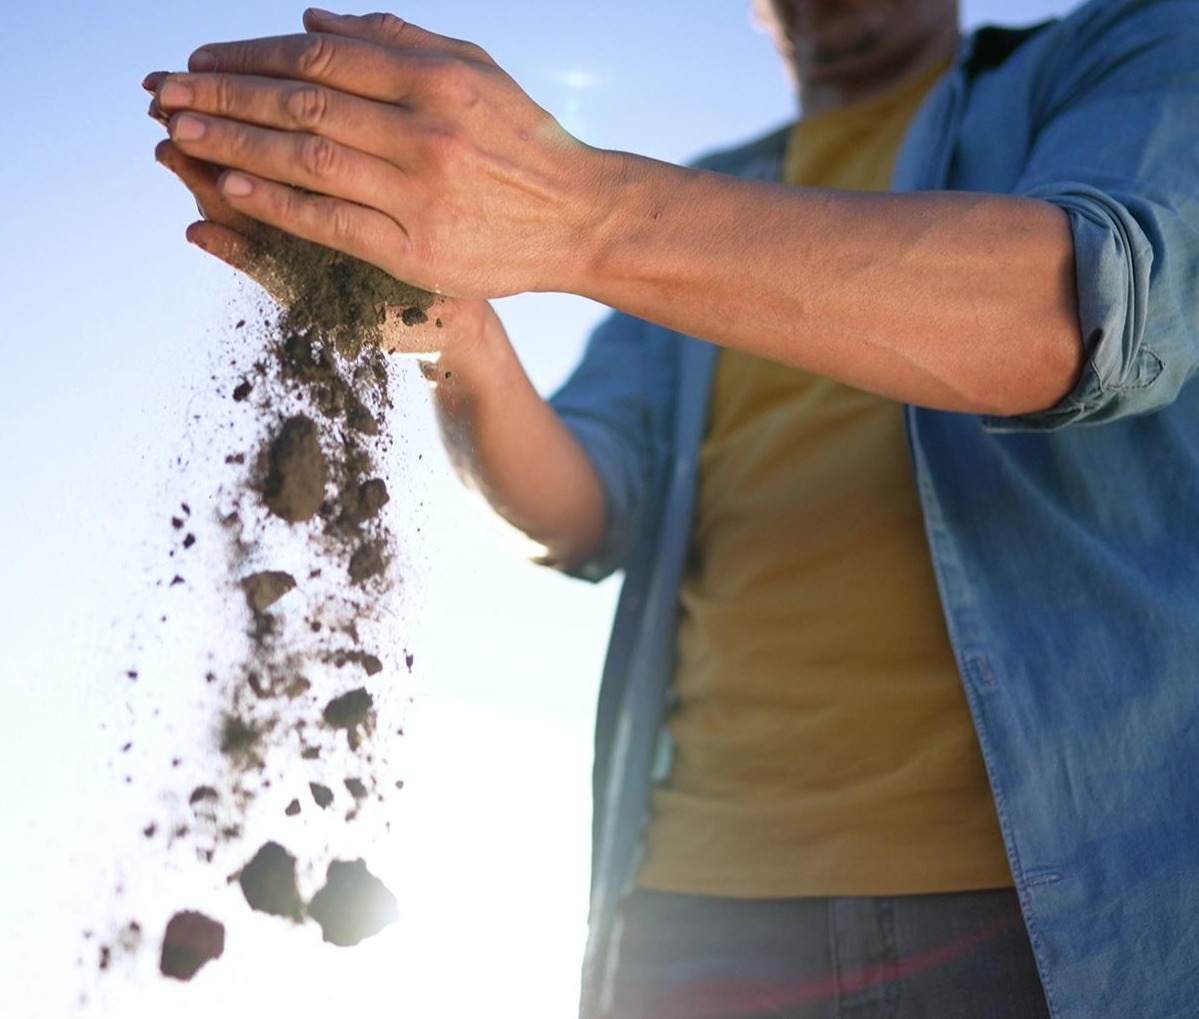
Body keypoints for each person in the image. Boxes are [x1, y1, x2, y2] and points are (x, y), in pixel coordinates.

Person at [143, 1, 1199, 1016]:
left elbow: (1074, 309)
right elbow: (585, 509)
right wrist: (453, 335)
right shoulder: (715, 193)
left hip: (1064, 907)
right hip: (699, 921)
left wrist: (579, 210)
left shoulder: (1116, 47)